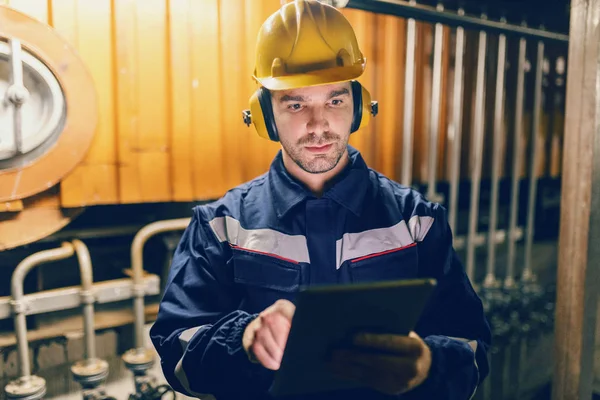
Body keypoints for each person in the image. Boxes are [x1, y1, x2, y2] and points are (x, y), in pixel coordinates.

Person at [150, 1, 491, 399]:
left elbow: (473, 350)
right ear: (264, 115)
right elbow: (177, 356)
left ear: (359, 107)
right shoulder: (221, 226)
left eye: (335, 100)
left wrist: (430, 366)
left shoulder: (417, 221)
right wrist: (243, 339)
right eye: (295, 104)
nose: (318, 125)